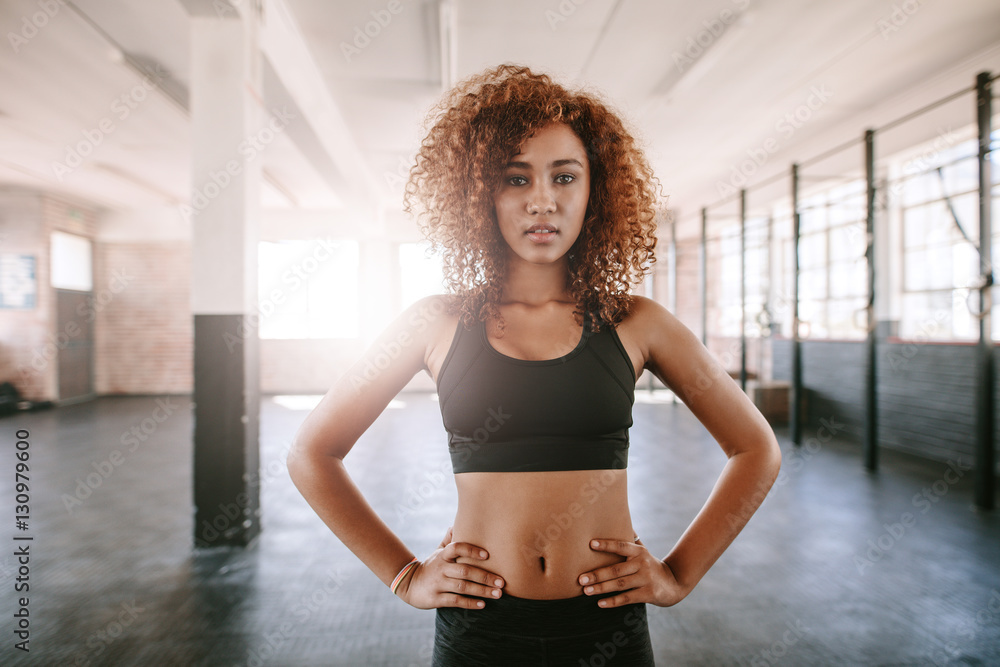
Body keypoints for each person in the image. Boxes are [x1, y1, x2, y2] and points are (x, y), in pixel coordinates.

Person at [287, 64, 782, 666]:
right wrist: (404, 576)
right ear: (480, 195)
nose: (542, 200)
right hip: (480, 629)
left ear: (594, 191)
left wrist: (678, 575)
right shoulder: (433, 323)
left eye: (564, 176)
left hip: (607, 627)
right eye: (515, 178)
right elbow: (312, 453)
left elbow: (757, 449)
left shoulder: (638, 322)